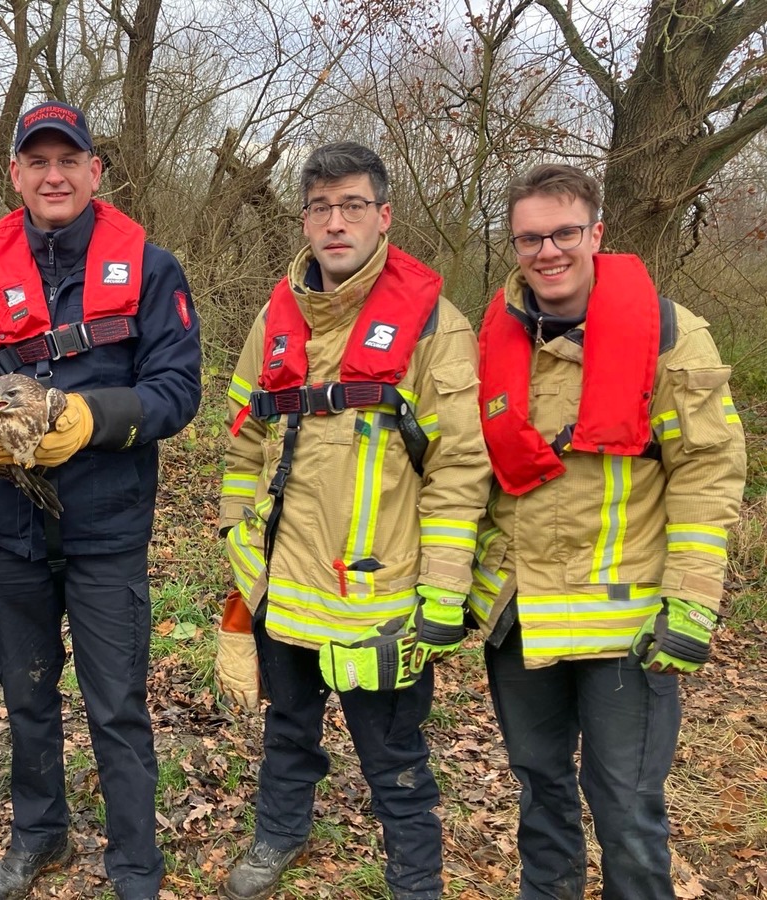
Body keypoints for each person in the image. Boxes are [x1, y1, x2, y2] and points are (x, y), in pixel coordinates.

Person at [0, 101, 201, 900]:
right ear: (15, 174)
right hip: (9, 524)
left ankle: (135, 862)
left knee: (116, 704)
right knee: (27, 693)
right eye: (36, 161)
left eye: (67, 160)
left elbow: (180, 391)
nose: (53, 175)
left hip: (107, 523)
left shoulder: (149, 265)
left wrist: (91, 419)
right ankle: (40, 836)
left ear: (94, 172)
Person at [215, 141, 491, 900]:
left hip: (381, 594)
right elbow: (242, 435)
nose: (336, 223)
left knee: (395, 754)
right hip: (286, 584)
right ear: (303, 221)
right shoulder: (276, 316)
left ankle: (415, 878)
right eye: (321, 208)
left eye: (353, 206)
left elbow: (462, 468)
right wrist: (239, 536)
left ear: (384, 216)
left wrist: (442, 589)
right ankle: (279, 834)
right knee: (287, 732)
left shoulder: (436, 325)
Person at [471, 163, 747, 899]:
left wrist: (690, 603)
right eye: (530, 237)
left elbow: (707, 475)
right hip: (520, 612)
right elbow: (468, 473)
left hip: (626, 622)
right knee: (540, 791)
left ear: (597, 233)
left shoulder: (667, 334)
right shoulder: (495, 337)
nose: (547, 251)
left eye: (564, 232)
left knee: (625, 808)